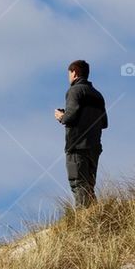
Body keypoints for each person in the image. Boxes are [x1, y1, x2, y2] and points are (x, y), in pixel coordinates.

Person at [54, 60, 107, 207]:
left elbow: (70, 116)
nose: (69, 77)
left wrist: (61, 117)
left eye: (69, 74)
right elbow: (104, 123)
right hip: (94, 147)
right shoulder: (98, 95)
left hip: (77, 145)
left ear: (74, 73)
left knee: (78, 184)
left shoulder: (74, 90)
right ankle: (94, 216)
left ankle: (83, 220)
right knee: (89, 186)